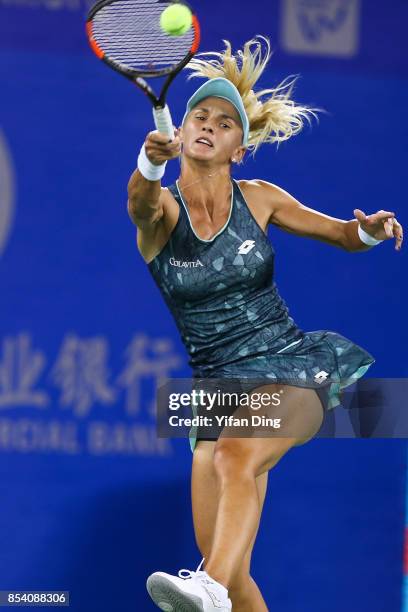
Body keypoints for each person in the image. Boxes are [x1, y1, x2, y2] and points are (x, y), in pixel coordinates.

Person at [127, 36, 403, 612]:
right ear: (180, 133)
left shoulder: (261, 199)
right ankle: (214, 585)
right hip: (214, 390)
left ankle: (205, 583)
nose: (208, 125)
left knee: (234, 461)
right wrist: (150, 163)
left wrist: (372, 230)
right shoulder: (163, 216)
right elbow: (141, 205)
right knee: (231, 576)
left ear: (240, 148)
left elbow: (342, 235)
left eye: (224, 123)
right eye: (199, 116)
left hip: (291, 367)